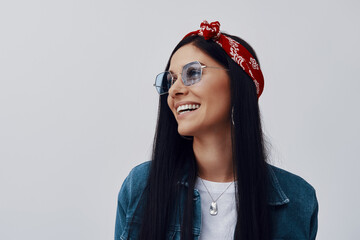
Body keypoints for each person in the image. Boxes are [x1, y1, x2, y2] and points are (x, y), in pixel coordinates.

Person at [114, 20, 318, 240]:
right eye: (170, 80)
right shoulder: (141, 187)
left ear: (236, 83)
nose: (174, 90)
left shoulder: (298, 200)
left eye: (192, 73)